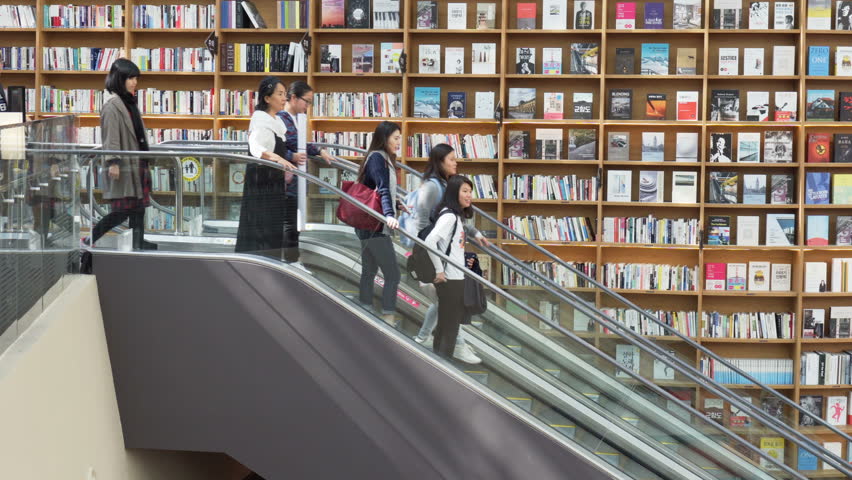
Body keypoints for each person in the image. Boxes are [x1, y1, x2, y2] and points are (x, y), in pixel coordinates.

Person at [412, 144, 489, 364]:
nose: (456, 162)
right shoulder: (435, 193)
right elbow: (427, 234)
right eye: (452, 159)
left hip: (453, 272)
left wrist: (474, 233)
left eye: (470, 191)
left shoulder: (452, 210)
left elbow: (457, 226)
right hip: (446, 272)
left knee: (447, 320)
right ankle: (445, 355)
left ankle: (430, 343)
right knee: (449, 323)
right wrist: (438, 268)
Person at [88, 58, 156, 250]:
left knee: (138, 209)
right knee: (122, 211)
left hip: (136, 164)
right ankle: (89, 239)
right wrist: (113, 162)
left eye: (136, 78)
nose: (134, 82)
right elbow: (111, 136)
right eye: (130, 78)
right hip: (124, 166)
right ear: (119, 79)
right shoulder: (113, 106)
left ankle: (138, 243)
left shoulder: (129, 102)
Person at [235, 76, 297, 259]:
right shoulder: (260, 121)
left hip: (272, 183)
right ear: (267, 98)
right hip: (261, 184)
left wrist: (286, 159)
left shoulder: (276, 121)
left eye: (285, 94)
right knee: (262, 228)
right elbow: (256, 148)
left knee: (272, 227)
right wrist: (279, 159)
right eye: (279, 94)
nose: (284, 98)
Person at [275, 81, 334, 266]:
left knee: (293, 223)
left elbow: (301, 143)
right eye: (306, 101)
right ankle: (291, 262)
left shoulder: (294, 119)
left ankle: (293, 261)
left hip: (295, 181)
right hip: (286, 180)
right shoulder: (280, 118)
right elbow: (276, 147)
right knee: (290, 224)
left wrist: (318, 150)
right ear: (293, 98)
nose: (307, 106)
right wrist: (293, 155)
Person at [355, 121, 403, 325]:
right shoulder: (377, 158)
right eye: (396, 138)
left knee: (370, 270)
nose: (399, 142)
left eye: (400, 138)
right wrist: (390, 215)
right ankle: (388, 315)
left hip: (370, 224)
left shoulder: (382, 158)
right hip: (373, 226)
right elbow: (382, 189)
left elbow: (378, 191)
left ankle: (365, 309)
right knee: (393, 273)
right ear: (384, 138)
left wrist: (397, 205)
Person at [424, 175, 477, 360]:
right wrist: (439, 270)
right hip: (449, 278)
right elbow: (430, 241)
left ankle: (439, 361)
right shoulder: (449, 217)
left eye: (470, 191)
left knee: (447, 325)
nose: (469, 195)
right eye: (464, 191)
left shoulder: (455, 216)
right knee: (450, 327)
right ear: (454, 193)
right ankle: (442, 363)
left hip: (454, 277)